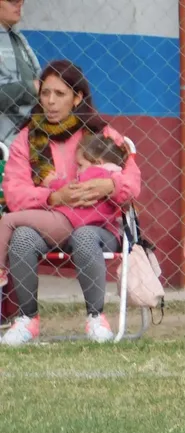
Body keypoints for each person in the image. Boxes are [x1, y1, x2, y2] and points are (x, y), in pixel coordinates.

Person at [1, 60, 141, 347]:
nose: (50, 102)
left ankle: (96, 318)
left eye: (60, 94)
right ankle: (27, 320)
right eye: (45, 93)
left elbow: (132, 182)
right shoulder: (27, 138)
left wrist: (109, 185)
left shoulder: (101, 134)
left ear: (78, 98)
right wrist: (53, 197)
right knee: (24, 237)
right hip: (49, 222)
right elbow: (14, 193)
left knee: (84, 236)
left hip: (97, 226)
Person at [0, 133, 129, 289]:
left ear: (97, 162)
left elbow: (69, 188)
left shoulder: (94, 174)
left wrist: (52, 182)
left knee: (9, 220)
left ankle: (0, 269)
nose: (78, 170)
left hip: (66, 220)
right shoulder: (113, 177)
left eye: (80, 165)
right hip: (82, 226)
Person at [0, 0, 40, 147]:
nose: (20, 3)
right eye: (12, 0)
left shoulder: (17, 39)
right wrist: (31, 88)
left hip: (23, 137)